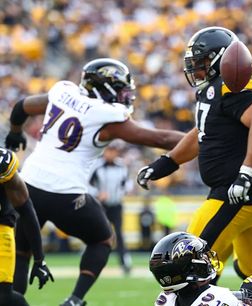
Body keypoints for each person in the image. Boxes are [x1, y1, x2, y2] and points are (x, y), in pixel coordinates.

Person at [5, 58, 185, 306]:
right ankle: (75, 299)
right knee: (103, 239)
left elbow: (21, 107)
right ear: (105, 88)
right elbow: (160, 138)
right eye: (122, 89)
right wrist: (202, 139)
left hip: (29, 185)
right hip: (64, 193)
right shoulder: (107, 116)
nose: (126, 95)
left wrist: (15, 133)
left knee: (22, 252)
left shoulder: (62, 93)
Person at [137, 27, 252, 280]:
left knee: (187, 259)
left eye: (201, 63)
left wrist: (244, 174)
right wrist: (165, 164)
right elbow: (203, 132)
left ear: (222, 60)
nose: (196, 69)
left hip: (236, 195)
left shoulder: (233, 85)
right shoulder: (212, 88)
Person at [0, 147, 54, 306]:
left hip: (1, 229)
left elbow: (26, 209)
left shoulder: (2, 164)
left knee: (4, 298)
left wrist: (39, 259)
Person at [89, 140, 132, 275]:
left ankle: (124, 263)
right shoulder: (97, 166)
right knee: (99, 234)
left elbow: (127, 183)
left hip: (116, 205)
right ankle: (94, 262)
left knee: (119, 234)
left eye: (113, 151)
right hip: (101, 206)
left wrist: (123, 191)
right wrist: (97, 193)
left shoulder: (121, 166)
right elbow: (87, 184)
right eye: (109, 150)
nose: (111, 153)